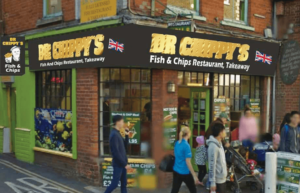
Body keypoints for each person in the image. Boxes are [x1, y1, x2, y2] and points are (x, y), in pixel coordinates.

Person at [105, 115, 130, 193]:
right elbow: (115, 152)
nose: (123, 123)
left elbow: (125, 146)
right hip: (118, 164)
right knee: (114, 184)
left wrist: (126, 135)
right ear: (117, 122)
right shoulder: (114, 135)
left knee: (124, 184)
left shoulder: (118, 133)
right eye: (122, 121)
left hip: (122, 163)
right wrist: (124, 164)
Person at [171, 126, 200, 193]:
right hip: (185, 172)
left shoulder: (177, 143)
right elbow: (188, 162)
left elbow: (175, 154)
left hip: (176, 170)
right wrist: (194, 176)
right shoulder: (186, 145)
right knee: (193, 190)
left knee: (174, 190)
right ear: (188, 134)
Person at [207, 122, 227, 193]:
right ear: (220, 133)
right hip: (217, 181)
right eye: (224, 131)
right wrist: (213, 182)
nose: (225, 132)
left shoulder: (220, 143)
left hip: (222, 179)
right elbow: (212, 165)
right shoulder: (213, 146)